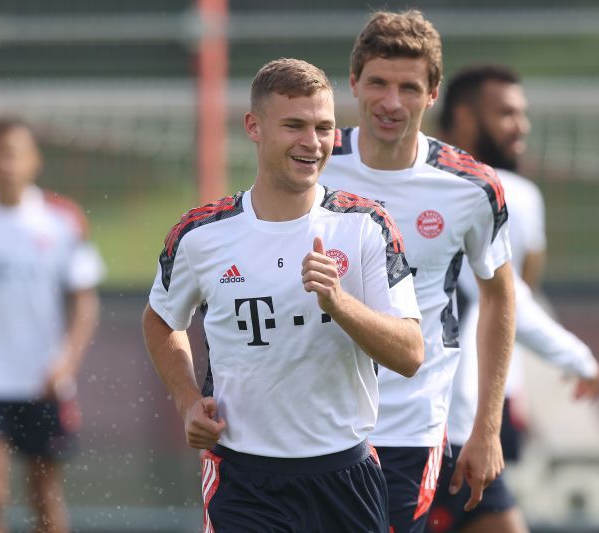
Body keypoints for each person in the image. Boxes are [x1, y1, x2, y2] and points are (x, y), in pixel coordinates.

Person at [142, 58, 424, 532]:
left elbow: (411, 354)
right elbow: (160, 319)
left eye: (324, 128)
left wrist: (339, 303)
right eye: (294, 125)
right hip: (243, 480)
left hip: (344, 474)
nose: (312, 143)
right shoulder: (201, 235)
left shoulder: (365, 225)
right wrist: (188, 398)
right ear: (254, 126)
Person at [318, 10, 516, 533]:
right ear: (354, 82)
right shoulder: (310, 163)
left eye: (409, 87)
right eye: (378, 83)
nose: (391, 102)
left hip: (409, 427)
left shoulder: (471, 187)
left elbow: (500, 296)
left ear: (432, 94)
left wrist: (486, 427)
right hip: (309, 419)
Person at [428, 63, 599, 533]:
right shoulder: (508, 193)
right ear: (464, 118)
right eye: (506, 113)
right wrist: (574, 355)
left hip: (469, 402)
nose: (520, 126)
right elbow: (515, 296)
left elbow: (510, 297)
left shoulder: (513, 193)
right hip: (436, 412)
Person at [0, 119, 105, 533]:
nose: (6, 164)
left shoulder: (63, 221)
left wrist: (66, 362)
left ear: (34, 160)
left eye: (15, 153)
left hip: (43, 381)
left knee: (45, 497)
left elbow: (84, 303)